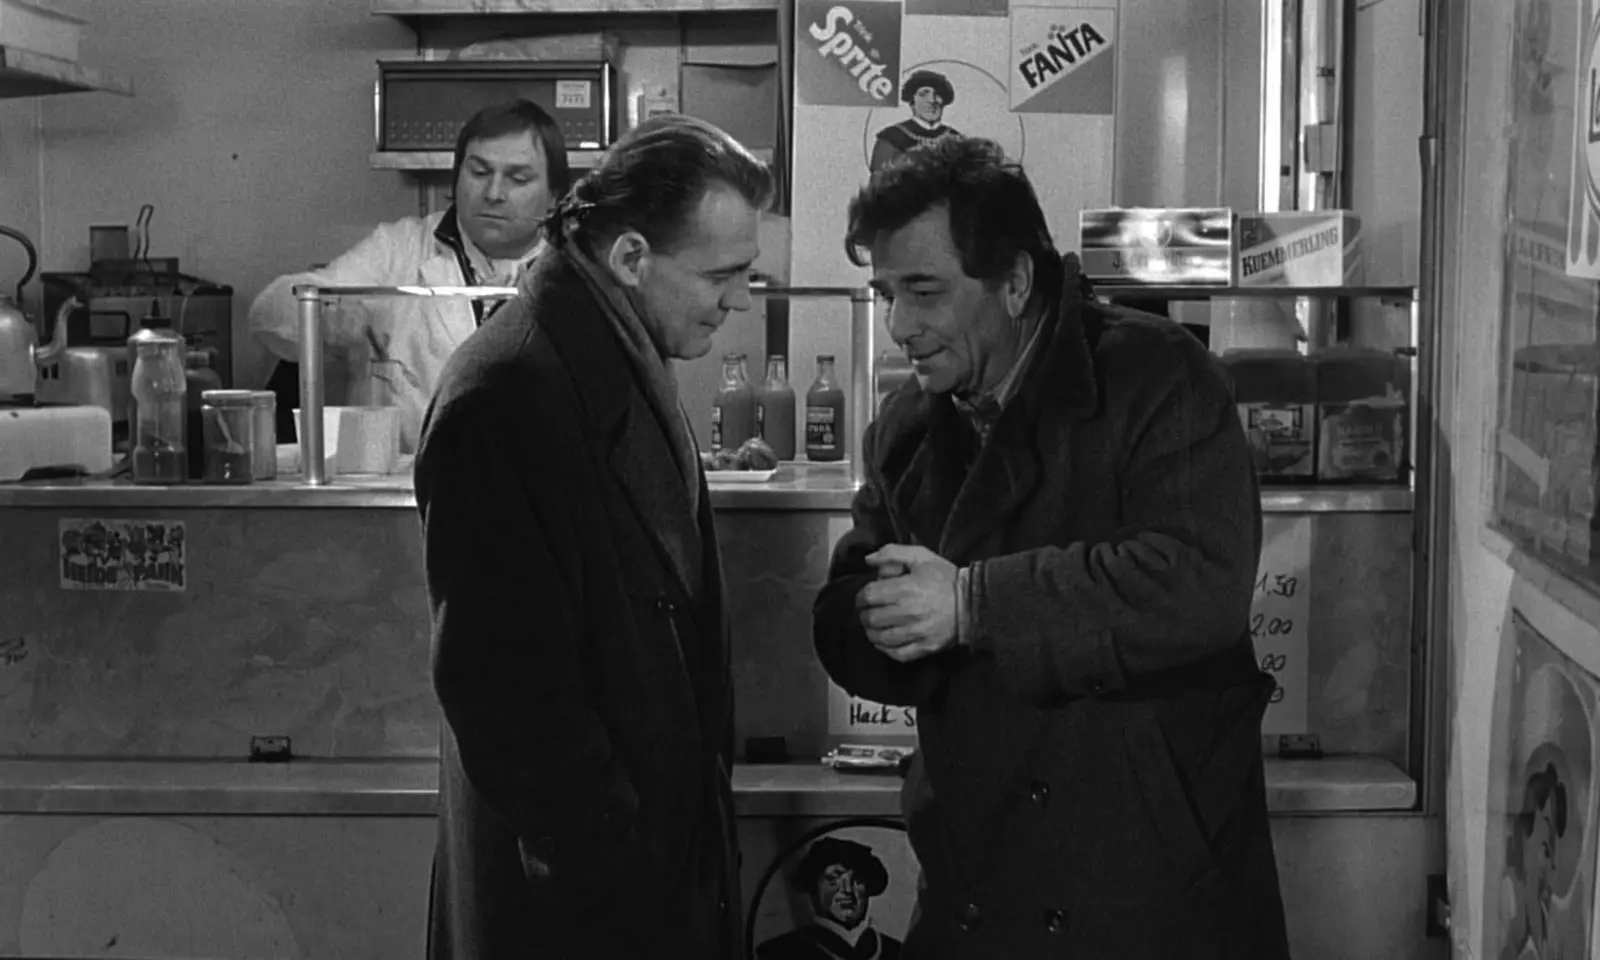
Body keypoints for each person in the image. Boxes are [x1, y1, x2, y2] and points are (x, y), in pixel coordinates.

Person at [812, 136, 1291, 959]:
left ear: (1016, 282)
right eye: (886, 294)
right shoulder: (907, 430)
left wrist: (970, 605)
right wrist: (873, 620)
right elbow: (857, 605)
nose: (900, 327)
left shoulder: (1159, 377)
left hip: (1149, 891)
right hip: (975, 883)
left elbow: (1197, 586)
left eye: (925, 292)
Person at [415, 113, 772, 960]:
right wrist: (610, 855)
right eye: (722, 275)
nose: (741, 299)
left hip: (639, 872)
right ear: (631, 259)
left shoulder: (619, 356)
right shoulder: (508, 393)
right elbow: (505, 690)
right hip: (576, 902)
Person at [247, 98, 571, 453]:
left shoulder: (578, 270)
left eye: (518, 178)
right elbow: (268, 313)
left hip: (540, 493)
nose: (494, 193)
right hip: (406, 489)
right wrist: (329, 312)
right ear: (457, 176)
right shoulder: (398, 249)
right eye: (479, 173)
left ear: (555, 197)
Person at [757, 836, 905, 960]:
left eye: (858, 881)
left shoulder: (900, 953)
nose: (847, 890)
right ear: (813, 885)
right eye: (833, 879)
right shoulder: (777, 953)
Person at [869, 70, 960, 173]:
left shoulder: (957, 139)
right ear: (912, 102)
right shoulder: (891, 137)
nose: (932, 100)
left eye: (938, 95)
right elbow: (879, 180)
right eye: (923, 94)